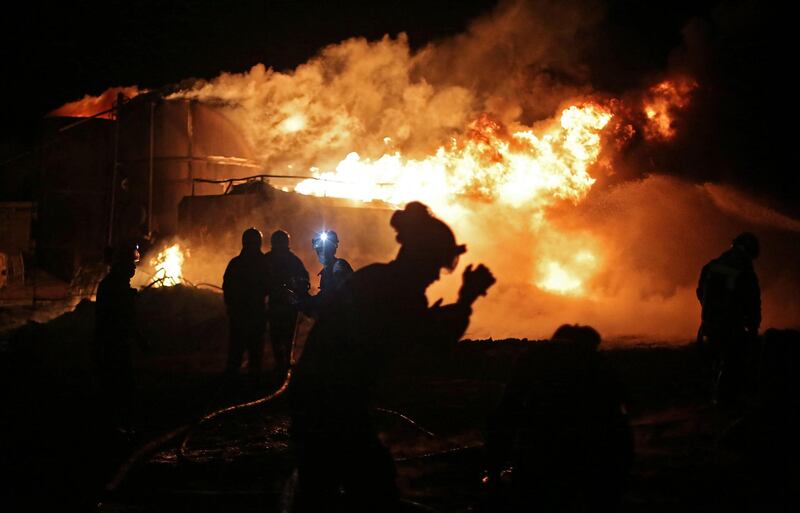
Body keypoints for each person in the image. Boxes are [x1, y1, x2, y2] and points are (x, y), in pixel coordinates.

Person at [289, 202, 495, 512]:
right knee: (368, 487)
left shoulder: (381, 281)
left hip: (324, 401)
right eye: (435, 266)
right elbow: (427, 346)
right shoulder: (395, 290)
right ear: (421, 258)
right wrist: (465, 301)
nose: (437, 276)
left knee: (325, 490)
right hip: (331, 404)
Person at [484, 325, 633, 512]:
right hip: (587, 448)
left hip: (540, 444)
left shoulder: (534, 358)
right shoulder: (596, 361)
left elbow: (507, 410)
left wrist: (494, 470)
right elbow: (622, 409)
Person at [696, 231, 761, 406]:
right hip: (731, 326)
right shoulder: (745, 271)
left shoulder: (711, 266)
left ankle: (715, 397)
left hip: (709, 324)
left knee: (716, 361)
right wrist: (753, 326)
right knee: (733, 362)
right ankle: (725, 403)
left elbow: (700, 292)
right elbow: (752, 302)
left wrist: (709, 314)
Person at [94, 244, 146, 435]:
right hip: (112, 344)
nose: (134, 268)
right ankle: (116, 428)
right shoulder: (113, 287)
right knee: (120, 385)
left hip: (115, 343)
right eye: (131, 264)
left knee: (120, 385)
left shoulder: (116, 285)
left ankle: (118, 425)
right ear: (121, 265)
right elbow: (120, 318)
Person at [263, 229, 309, 382]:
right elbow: (304, 280)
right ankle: (285, 362)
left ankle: (280, 363)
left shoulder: (268, 259)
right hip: (286, 305)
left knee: (278, 334)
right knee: (286, 335)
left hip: (281, 304)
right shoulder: (293, 260)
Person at [223, 228, 269, 376]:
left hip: (239, 314)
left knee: (236, 348)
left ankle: (230, 382)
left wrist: (230, 306)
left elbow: (227, 287)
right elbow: (270, 286)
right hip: (256, 313)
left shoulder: (235, 263)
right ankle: (253, 383)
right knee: (255, 350)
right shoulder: (264, 263)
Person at [299, 229, 353, 317]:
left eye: (324, 250)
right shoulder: (329, 269)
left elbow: (329, 296)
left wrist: (306, 302)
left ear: (332, 249)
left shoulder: (339, 266)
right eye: (319, 250)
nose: (321, 253)